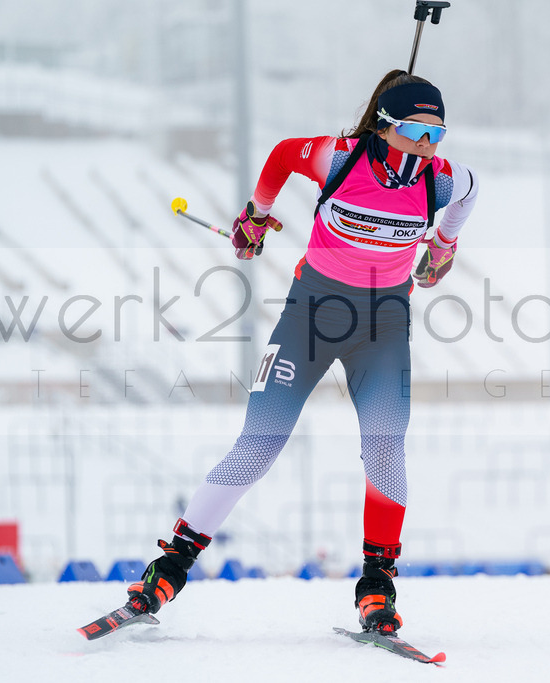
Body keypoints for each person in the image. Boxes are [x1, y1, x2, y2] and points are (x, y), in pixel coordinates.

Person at [120, 69, 478, 635]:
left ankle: (377, 584)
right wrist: (256, 215)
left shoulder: (444, 180)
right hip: (309, 319)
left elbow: (467, 197)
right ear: (386, 126)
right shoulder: (337, 159)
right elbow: (285, 154)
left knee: (386, 447)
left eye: (438, 135)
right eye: (416, 130)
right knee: (259, 445)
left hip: (383, 329)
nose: (428, 145)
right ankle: (170, 566)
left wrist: (444, 247)